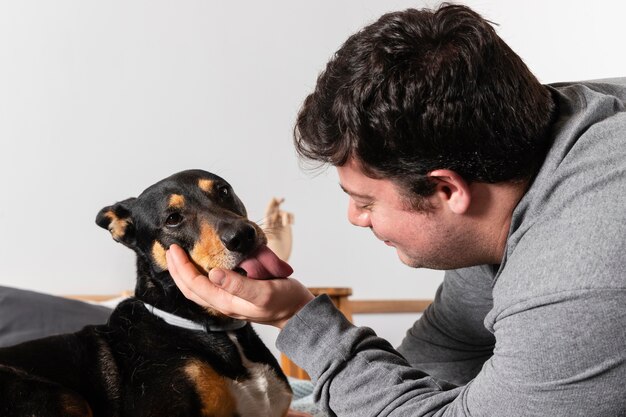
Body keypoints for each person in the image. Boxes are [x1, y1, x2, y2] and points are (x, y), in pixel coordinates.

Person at [166, 4, 626, 416]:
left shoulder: (585, 259)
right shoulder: (518, 154)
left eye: (365, 201)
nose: (355, 217)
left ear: (446, 189)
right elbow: (445, 351)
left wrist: (298, 320)